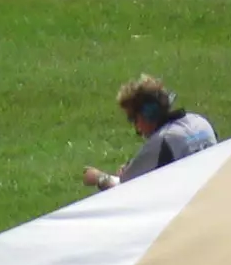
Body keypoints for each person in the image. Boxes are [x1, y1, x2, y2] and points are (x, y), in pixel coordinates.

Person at [81, 76, 216, 191]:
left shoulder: (164, 140)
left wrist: (99, 177)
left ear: (147, 114)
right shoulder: (200, 122)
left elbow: (125, 188)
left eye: (133, 119)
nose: (137, 128)